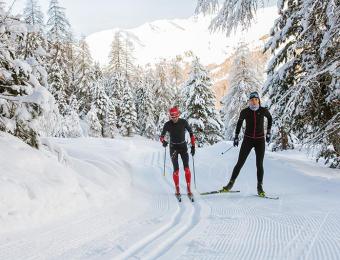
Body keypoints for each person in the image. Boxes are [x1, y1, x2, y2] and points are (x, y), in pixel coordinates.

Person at [222, 91, 272, 197]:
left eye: (255, 100)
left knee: (259, 164)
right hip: (248, 140)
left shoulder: (263, 110)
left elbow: (270, 118)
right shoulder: (245, 112)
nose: (254, 102)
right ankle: (230, 184)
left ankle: (260, 187)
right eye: (252, 100)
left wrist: (268, 132)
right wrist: (236, 136)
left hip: (260, 141)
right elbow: (239, 123)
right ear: (249, 101)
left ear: (258, 100)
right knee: (240, 163)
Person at [160, 107, 196, 196]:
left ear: (178, 115)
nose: (174, 119)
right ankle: (177, 188)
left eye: (175, 117)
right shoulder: (167, 124)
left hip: (183, 147)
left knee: (186, 169)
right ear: (170, 116)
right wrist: (163, 142)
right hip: (173, 148)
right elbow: (161, 136)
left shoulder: (183, 122)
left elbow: (191, 133)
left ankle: (188, 187)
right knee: (176, 170)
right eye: (172, 117)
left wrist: (193, 146)